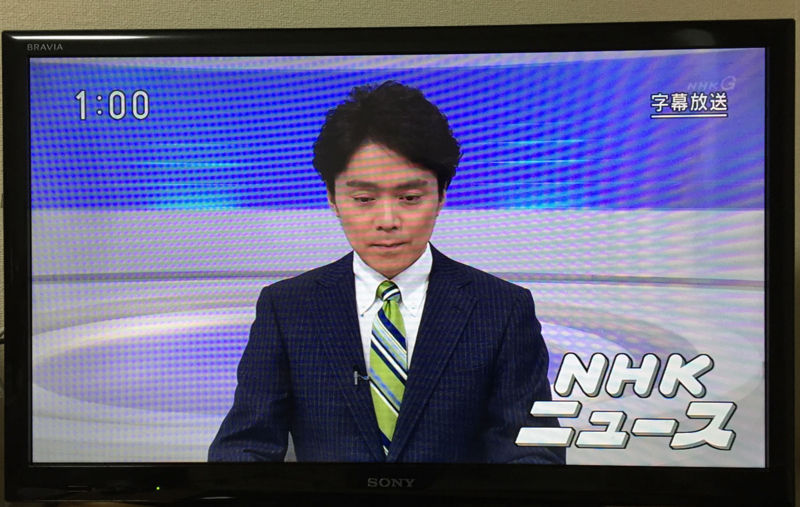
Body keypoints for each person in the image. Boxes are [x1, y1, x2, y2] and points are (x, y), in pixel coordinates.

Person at [208, 81, 564, 464]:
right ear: (333, 199)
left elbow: (533, 453)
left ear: (441, 196)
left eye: (410, 198)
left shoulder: (502, 308)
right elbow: (243, 448)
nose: (388, 220)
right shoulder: (287, 307)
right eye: (364, 199)